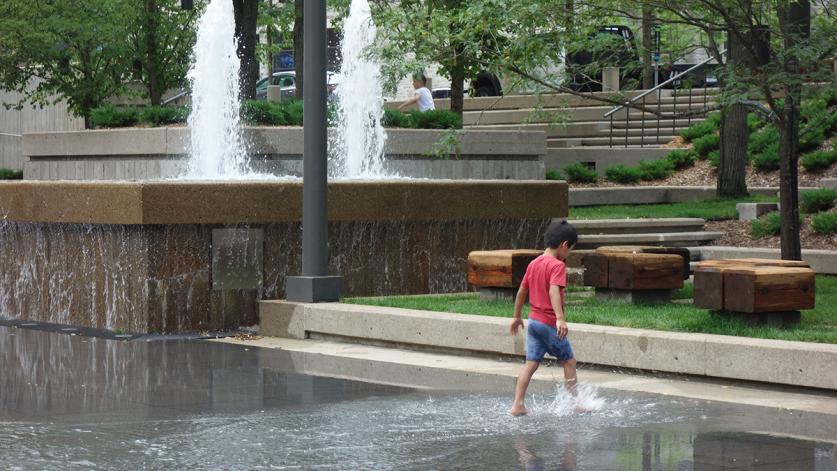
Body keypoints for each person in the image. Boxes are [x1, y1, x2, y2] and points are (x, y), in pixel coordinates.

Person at [508, 220, 579, 417]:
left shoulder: (534, 263)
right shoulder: (557, 266)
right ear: (564, 245)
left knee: (531, 363)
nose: (568, 254)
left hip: (533, 323)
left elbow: (522, 291)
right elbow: (554, 290)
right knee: (569, 361)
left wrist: (516, 316)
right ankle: (573, 404)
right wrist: (560, 318)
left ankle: (518, 404)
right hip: (548, 323)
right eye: (570, 250)